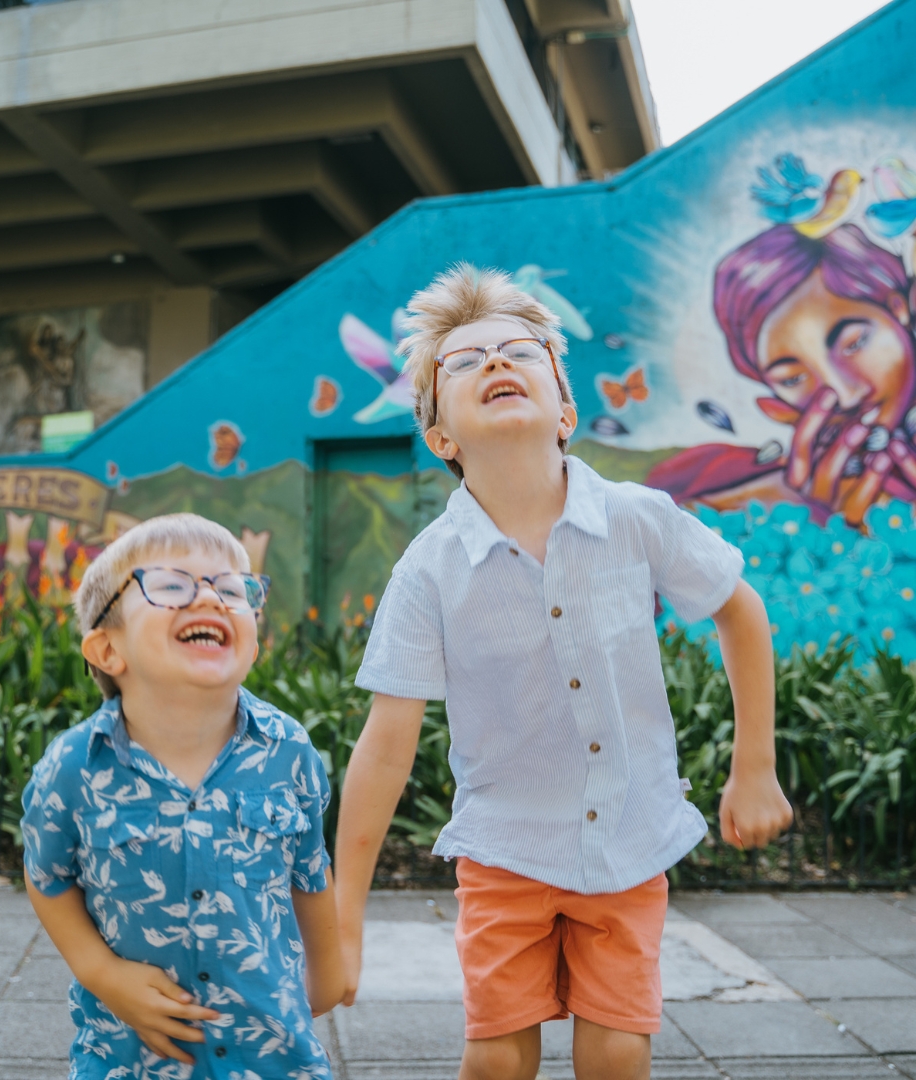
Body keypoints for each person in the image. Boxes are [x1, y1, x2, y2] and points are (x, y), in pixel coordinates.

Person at [334, 265, 793, 1080]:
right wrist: (345, 912)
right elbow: (386, 745)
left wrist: (752, 767)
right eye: (466, 362)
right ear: (441, 434)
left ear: (566, 409)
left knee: (617, 1050)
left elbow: (740, 610)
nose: (498, 363)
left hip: (627, 839)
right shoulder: (428, 571)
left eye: (520, 350)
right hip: (504, 851)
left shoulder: (638, 518)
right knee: (497, 1058)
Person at [20, 513, 343, 1080]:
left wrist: (330, 970)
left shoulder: (287, 749)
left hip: (271, 1058)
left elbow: (310, 873)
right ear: (106, 650)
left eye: (233, 589)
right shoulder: (74, 768)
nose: (211, 598)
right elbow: (47, 877)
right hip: (131, 1059)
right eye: (171, 585)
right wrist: (101, 973)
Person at [648, 223, 916, 525]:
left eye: (854, 343)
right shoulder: (765, 499)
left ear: (899, 308)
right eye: (792, 378)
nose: (844, 394)